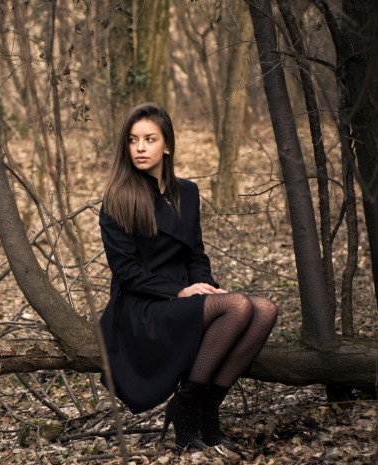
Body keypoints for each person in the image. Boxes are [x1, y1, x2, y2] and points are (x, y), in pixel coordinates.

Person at [99, 102, 278, 450]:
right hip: (141, 305)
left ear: (166, 145)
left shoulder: (188, 192)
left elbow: (195, 254)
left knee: (265, 310)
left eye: (149, 139)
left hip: (181, 295)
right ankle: (186, 408)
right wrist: (179, 292)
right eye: (133, 140)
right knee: (239, 307)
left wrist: (206, 286)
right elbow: (127, 272)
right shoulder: (118, 198)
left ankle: (208, 409)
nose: (139, 148)